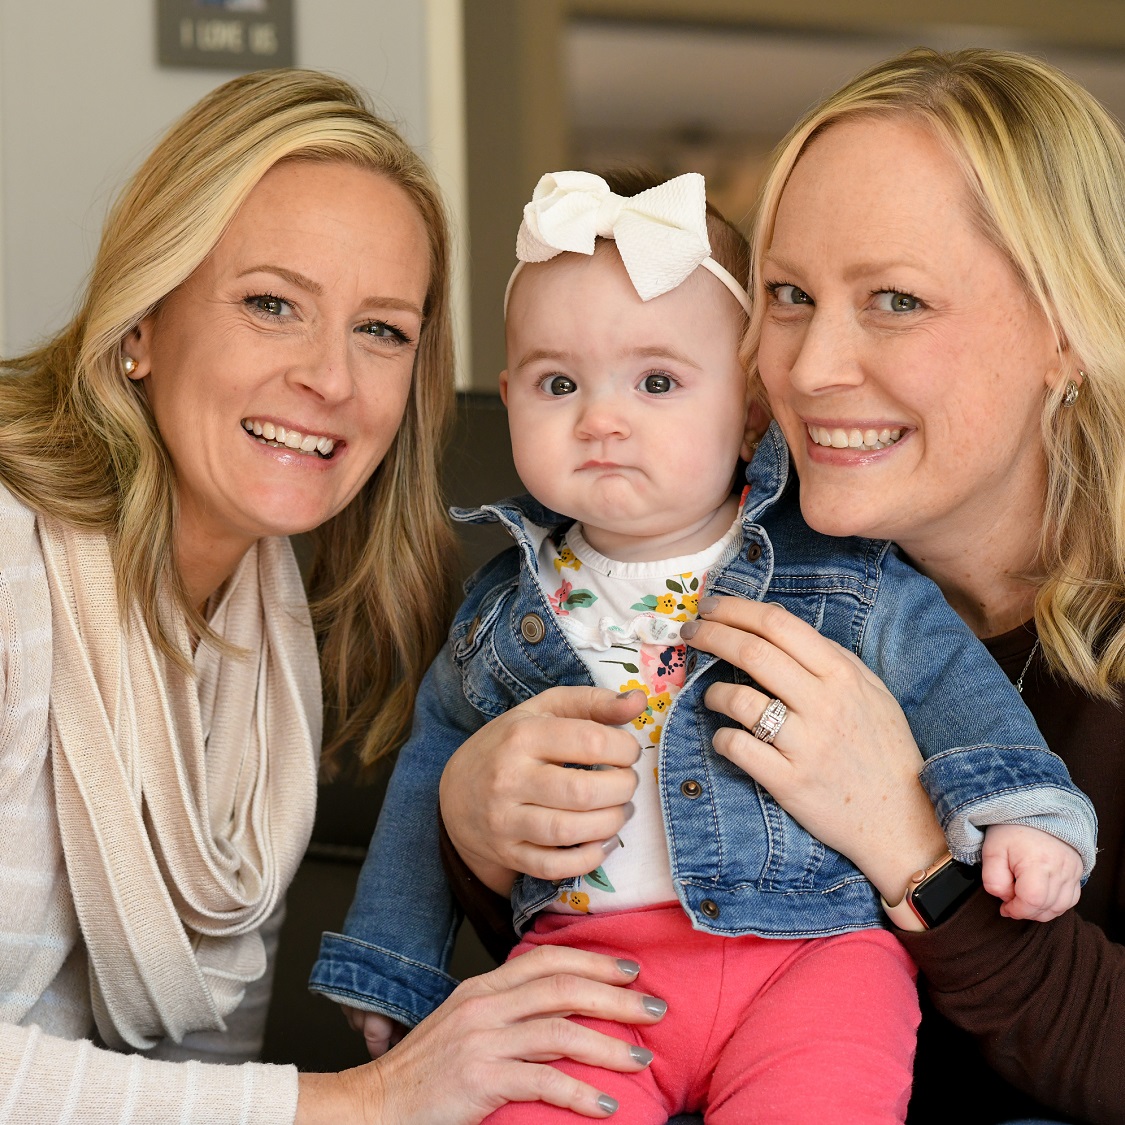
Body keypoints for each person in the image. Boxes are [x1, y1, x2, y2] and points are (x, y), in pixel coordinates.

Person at [310, 167, 1096, 1123]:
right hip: (587, 964)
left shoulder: (833, 570)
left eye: (655, 381)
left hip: (811, 956)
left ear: (748, 408)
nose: (601, 418)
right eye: (558, 383)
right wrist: (403, 942)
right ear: (509, 397)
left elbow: (944, 675)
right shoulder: (499, 607)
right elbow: (427, 768)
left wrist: (1018, 807)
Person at [0, 69, 669, 1125]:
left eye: (382, 331)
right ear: (140, 323)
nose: (332, 379)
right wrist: (375, 1099)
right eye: (273, 305)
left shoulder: (268, 632)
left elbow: (206, 1073)